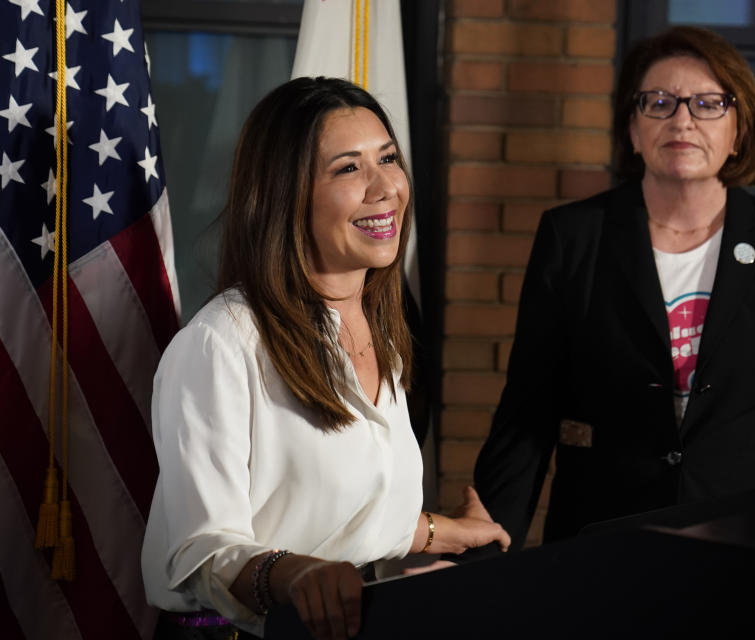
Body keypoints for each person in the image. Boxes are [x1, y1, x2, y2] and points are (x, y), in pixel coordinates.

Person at [142, 77, 509, 640]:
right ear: (285, 194)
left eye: (389, 158)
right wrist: (294, 575)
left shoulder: (380, 332)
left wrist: (446, 532)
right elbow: (199, 551)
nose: (386, 186)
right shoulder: (221, 343)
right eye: (348, 168)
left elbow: (336, 514)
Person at [473, 26, 755, 548]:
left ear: (739, 130)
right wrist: (485, 549)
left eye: (708, 104)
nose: (683, 120)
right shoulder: (574, 236)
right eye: (660, 103)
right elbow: (527, 416)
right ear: (632, 129)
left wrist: (728, 452)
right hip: (603, 530)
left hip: (746, 531)